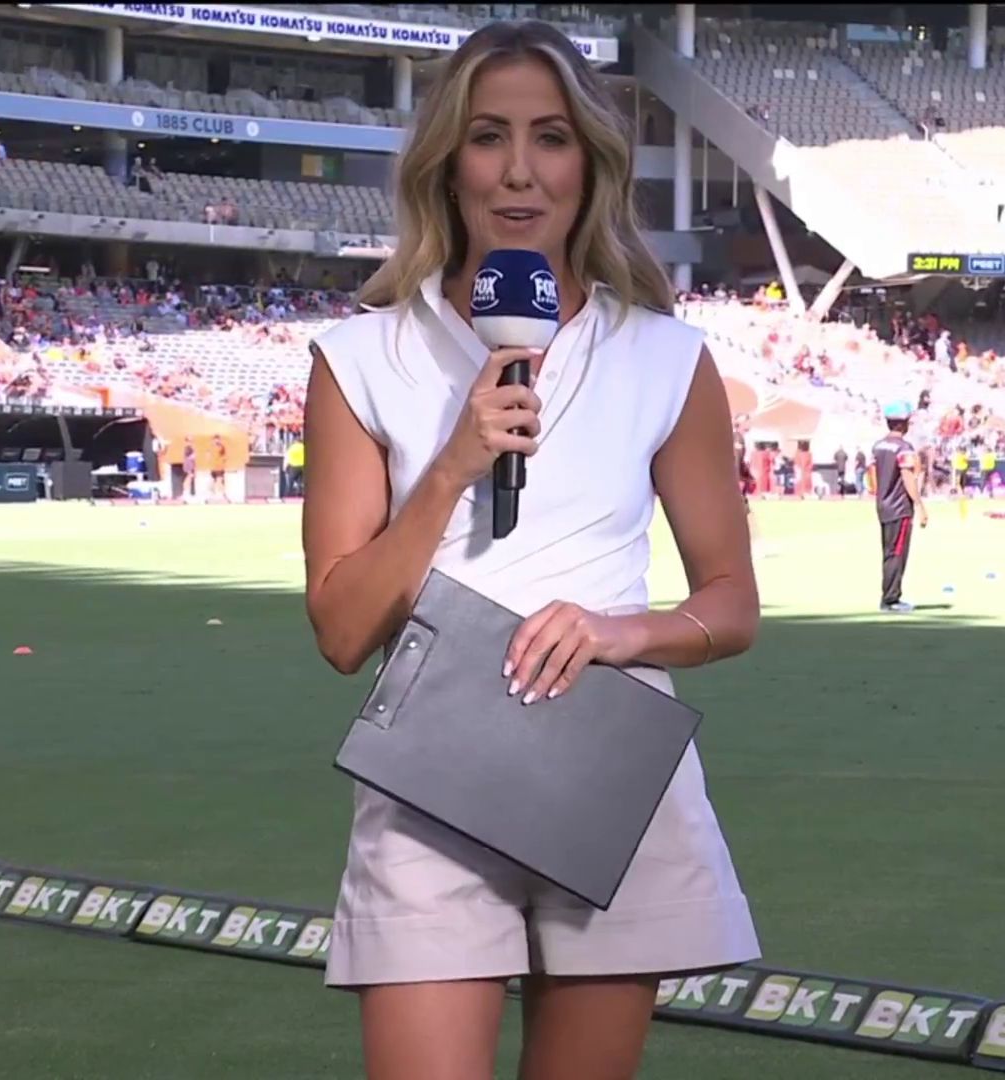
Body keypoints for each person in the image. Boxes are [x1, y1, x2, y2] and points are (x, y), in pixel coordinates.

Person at [298, 21, 761, 1079]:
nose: (518, 170)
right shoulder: (358, 356)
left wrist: (616, 632)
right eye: (487, 136)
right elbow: (341, 630)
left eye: (550, 137)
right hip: (430, 778)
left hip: (609, 768)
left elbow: (731, 604)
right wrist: (450, 468)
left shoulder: (668, 357)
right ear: (445, 163)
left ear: (588, 164)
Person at [869, 400, 928, 612]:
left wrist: (880, 493)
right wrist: (919, 505)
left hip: (883, 505)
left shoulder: (878, 446)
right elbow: (907, 476)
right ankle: (891, 599)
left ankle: (889, 596)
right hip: (900, 507)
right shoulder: (904, 448)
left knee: (888, 552)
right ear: (903, 424)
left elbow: (872, 475)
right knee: (897, 553)